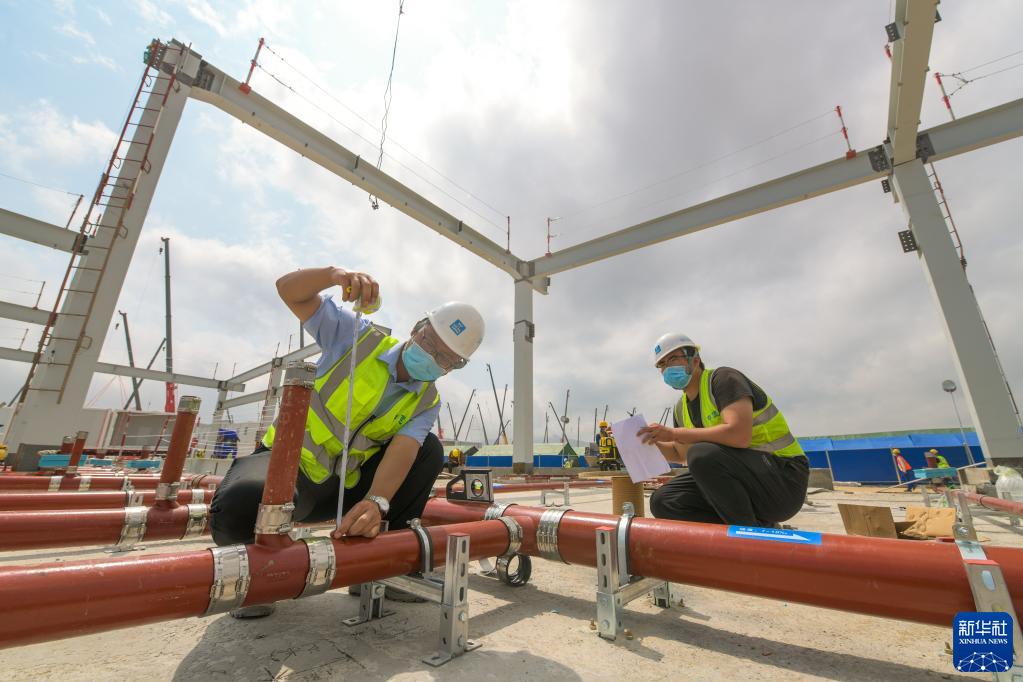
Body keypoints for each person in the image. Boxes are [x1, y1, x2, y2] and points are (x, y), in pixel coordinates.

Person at [210, 266, 485, 617]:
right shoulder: (355, 337)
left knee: (428, 450)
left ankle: (385, 565)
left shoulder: (426, 401)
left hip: (344, 490)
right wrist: (334, 275)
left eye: (446, 359)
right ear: (416, 328)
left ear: (454, 367)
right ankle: (256, 577)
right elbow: (289, 291)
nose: (432, 358)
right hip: (288, 472)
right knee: (238, 503)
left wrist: (376, 502)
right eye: (430, 343)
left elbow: (403, 451)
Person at [637, 333, 809, 527]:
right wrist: (646, 442)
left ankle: (748, 537)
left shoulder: (723, 379)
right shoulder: (680, 408)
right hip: (744, 479)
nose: (667, 368)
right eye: (662, 364)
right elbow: (680, 453)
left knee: (701, 454)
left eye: (673, 359)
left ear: (695, 360)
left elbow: (739, 435)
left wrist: (674, 433)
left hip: (783, 478)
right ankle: (757, 527)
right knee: (664, 501)